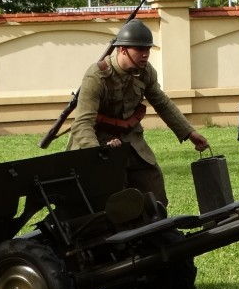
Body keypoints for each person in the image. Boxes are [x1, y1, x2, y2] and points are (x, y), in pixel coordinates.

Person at [67, 19, 209, 206]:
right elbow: (82, 123)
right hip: (99, 143)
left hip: (132, 142)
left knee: (155, 195)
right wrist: (100, 153)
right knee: (115, 200)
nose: (145, 54)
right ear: (123, 50)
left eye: (148, 49)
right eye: (140, 49)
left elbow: (162, 102)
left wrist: (190, 133)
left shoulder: (146, 72)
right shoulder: (97, 76)